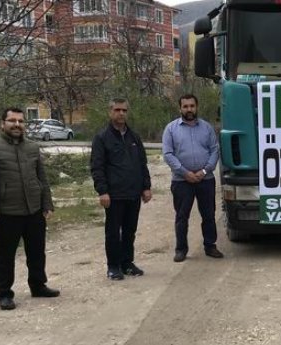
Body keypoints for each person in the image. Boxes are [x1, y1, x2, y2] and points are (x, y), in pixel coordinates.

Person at [0, 107, 59, 311]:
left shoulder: (32, 147)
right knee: (5, 255)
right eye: (12, 121)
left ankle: (38, 285)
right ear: (2, 124)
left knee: (37, 251)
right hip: (7, 212)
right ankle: (5, 293)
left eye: (21, 121)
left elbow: (42, 178)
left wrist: (47, 204)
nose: (17, 125)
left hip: (34, 209)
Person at [90, 98, 152, 280]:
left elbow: (142, 163)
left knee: (129, 230)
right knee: (113, 232)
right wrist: (102, 191)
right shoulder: (102, 138)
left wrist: (146, 187)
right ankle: (113, 266)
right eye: (117, 110)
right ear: (110, 112)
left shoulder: (134, 137)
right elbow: (97, 167)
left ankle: (127, 263)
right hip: (114, 195)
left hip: (133, 193)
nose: (121, 113)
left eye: (124, 110)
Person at [162, 94, 222, 263]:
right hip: (182, 181)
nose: (189, 109)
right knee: (182, 217)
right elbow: (168, 154)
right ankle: (181, 249)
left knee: (208, 215)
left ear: (197, 107)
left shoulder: (207, 128)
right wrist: (184, 172)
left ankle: (210, 246)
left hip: (206, 179)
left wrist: (204, 171)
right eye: (185, 106)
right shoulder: (171, 129)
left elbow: (215, 150)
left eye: (192, 106)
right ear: (180, 108)